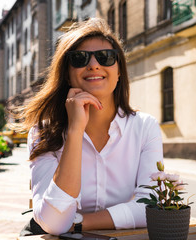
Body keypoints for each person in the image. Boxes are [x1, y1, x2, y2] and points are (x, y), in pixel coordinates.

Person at [19, 18, 163, 236]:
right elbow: (52, 224)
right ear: (67, 73)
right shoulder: (43, 131)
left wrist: (78, 222)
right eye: (79, 58)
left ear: (119, 71)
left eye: (106, 57)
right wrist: (75, 131)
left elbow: (152, 207)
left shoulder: (145, 127)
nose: (94, 64)